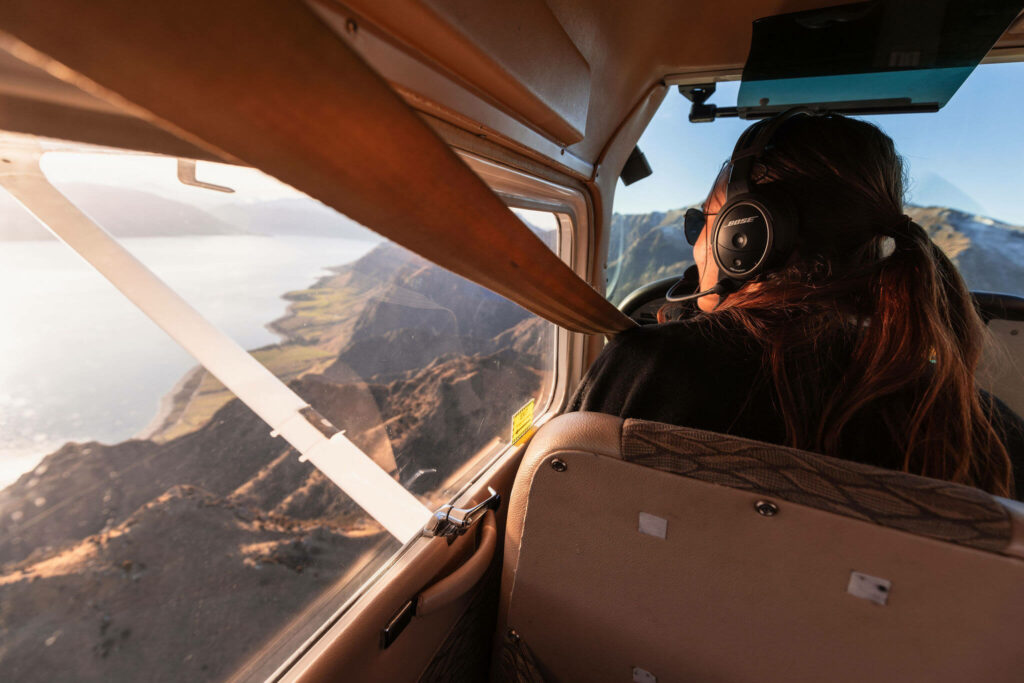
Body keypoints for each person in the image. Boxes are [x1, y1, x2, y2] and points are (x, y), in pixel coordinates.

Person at [572, 111, 1024, 500]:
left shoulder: (650, 367)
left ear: (743, 236)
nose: (695, 249)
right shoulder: (980, 429)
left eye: (700, 224)